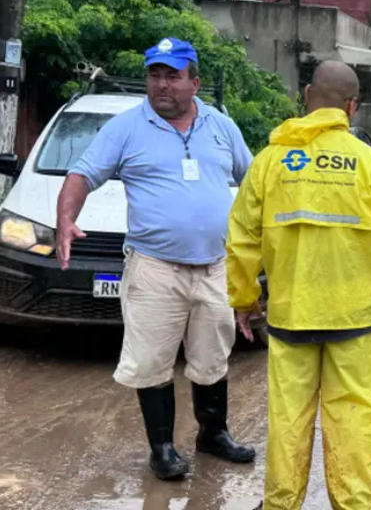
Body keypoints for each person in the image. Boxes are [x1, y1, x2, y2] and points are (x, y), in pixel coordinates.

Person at [226, 60, 371, 510]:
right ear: (353, 107)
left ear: (307, 95)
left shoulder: (270, 162)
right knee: (354, 423)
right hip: (353, 324)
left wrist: (245, 299)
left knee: (288, 422)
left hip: (291, 318)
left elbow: (242, 239)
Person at [57, 37, 256, 481]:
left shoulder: (222, 127)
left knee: (211, 356)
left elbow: (254, 180)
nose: (162, 84)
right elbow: (81, 175)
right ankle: (163, 448)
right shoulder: (125, 128)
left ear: (194, 82)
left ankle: (213, 434)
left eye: (173, 75)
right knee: (152, 360)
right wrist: (66, 219)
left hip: (214, 266)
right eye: (155, 75)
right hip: (154, 268)